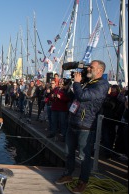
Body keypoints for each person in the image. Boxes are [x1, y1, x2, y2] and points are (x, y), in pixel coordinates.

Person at [55, 60, 110, 193]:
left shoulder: (102, 85)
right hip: (73, 121)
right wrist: (70, 85)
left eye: (92, 67)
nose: (88, 69)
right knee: (68, 152)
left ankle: (82, 181)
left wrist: (78, 83)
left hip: (85, 125)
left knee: (83, 157)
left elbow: (84, 96)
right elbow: (74, 96)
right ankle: (68, 174)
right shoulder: (88, 82)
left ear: (100, 71)